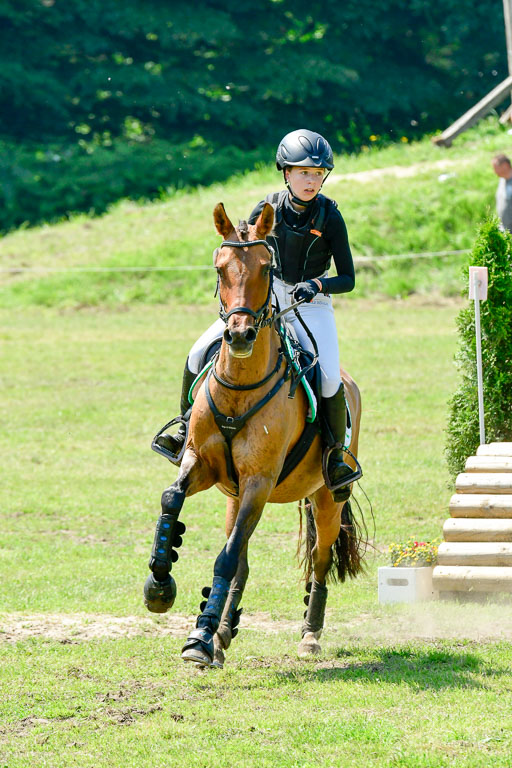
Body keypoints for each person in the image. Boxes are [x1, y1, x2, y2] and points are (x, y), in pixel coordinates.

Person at [157, 128, 358, 500]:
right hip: (264, 299)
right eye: (303, 173)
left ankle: (334, 457)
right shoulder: (268, 208)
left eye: (317, 174)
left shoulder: (330, 216)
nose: (311, 181)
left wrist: (318, 286)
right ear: (286, 173)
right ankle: (185, 432)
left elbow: (348, 278)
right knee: (197, 352)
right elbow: (244, 254)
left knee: (329, 377)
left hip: (312, 303)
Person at [492, 153, 512, 232]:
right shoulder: (502, 180)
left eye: (495, 168)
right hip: (505, 229)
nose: (494, 171)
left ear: (505, 166)